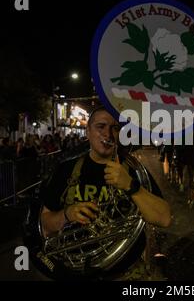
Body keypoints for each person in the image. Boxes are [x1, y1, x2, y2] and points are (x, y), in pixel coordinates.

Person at [40, 106, 171, 279]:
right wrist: (67, 214)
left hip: (126, 274)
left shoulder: (135, 171)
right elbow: (46, 225)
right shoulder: (65, 170)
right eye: (100, 126)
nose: (108, 134)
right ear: (88, 132)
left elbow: (164, 218)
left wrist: (130, 185)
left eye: (115, 128)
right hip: (75, 273)